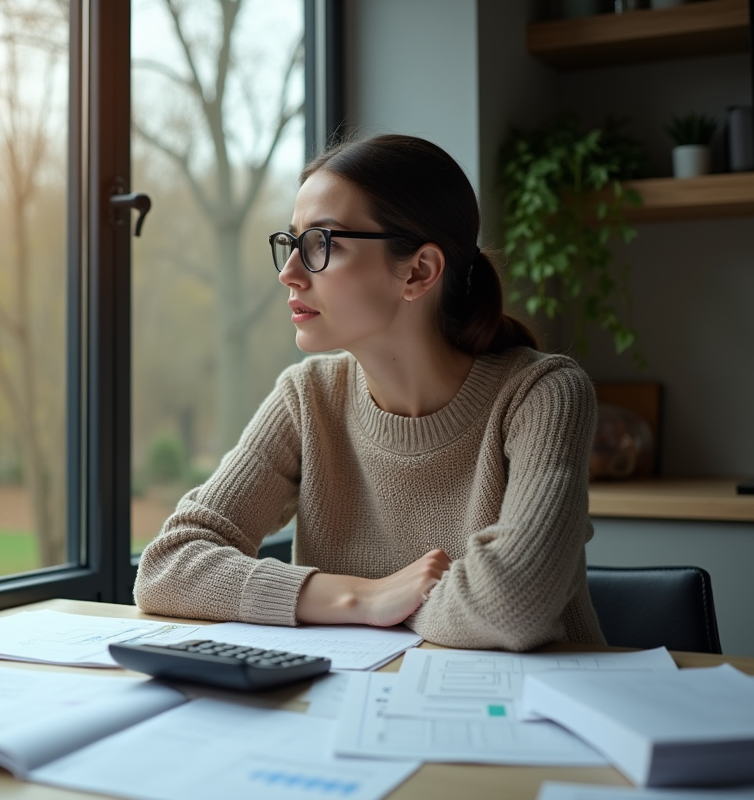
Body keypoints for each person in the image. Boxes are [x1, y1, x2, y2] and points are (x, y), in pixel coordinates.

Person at [134, 133, 606, 651]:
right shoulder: (307, 396)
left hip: (533, 719)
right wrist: (363, 598)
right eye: (292, 243)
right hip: (357, 712)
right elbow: (168, 565)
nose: (289, 273)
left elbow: (512, 605)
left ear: (418, 271)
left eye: (322, 244)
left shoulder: (543, 395)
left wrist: (360, 605)